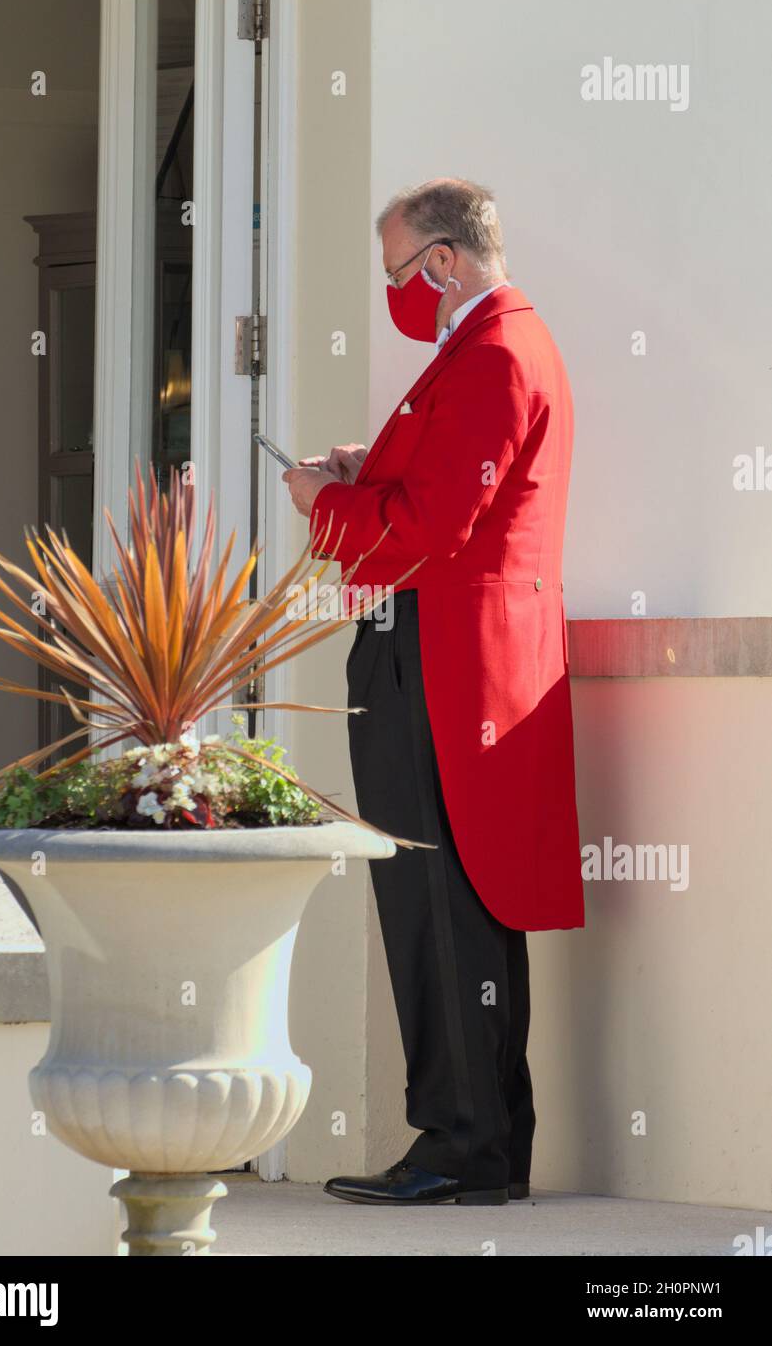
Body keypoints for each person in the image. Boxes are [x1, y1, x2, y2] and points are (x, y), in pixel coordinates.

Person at [282, 178, 584, 1206]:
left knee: (438, 897)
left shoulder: (494, 351)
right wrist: (366, 468)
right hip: (443, 647)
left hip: (443, 655)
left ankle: (462, 1147)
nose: (398, 294)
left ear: (444, 261)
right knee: (452, 894)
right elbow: (442, 487)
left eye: (401, 272)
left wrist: (326, 506)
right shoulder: (489, 348)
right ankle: (479, 1144)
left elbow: (429, 529)